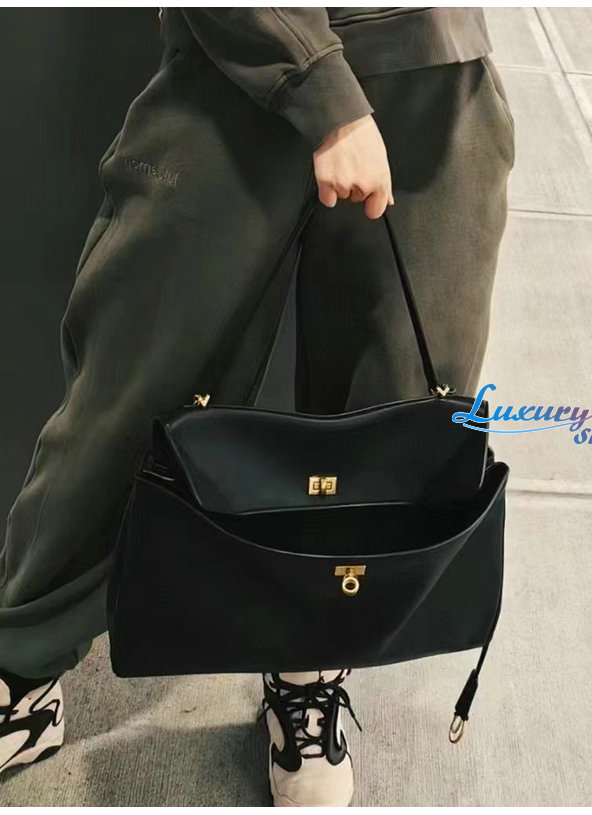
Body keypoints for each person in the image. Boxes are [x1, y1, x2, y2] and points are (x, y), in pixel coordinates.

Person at [0, 7, 514, 806]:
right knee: (131, 396)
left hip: (436, 68)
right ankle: (21, 667)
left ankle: (311, 669)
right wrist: (323, 91)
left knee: (394, 422)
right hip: (238, 62)